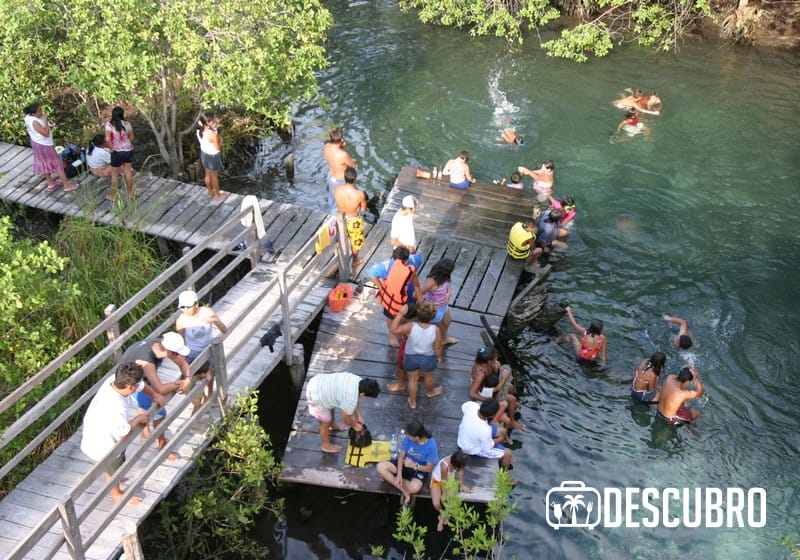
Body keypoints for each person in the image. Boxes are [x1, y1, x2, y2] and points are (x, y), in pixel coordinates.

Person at [80, 363, 151, 504]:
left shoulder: (113, 381)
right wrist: (138, 418)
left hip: (96, 431)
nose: (139, 387)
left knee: (116, 466)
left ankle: (115, 477)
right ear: (131, 387)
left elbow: (136, 390)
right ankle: (116, 493)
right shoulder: (116, 406)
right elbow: (123, 432)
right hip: (103, 444)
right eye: (137, 385)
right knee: (114, 466)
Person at [119, 332, 192, 458]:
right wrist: (178, 384)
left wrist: (188, 378)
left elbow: (183, 364)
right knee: (160, 413)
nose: (178, 356)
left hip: (139, 378)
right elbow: (161, 389)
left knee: (144, 405)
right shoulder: (147, 361)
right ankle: (162, 444)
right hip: (130, 383)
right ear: (170, 352)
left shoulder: (159, 344)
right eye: (177, 353)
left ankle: (145, 430)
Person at [175, 290, 229, 414]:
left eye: (187, 306)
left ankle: (210, 395)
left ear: (196, 304)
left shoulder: (207, 312)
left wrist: (215, 320)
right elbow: (181, 341)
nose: (185, 309)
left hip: (208, 350)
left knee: (210, 376)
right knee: (195, 380)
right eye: (182, 307)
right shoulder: (181, 321)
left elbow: (224, 330)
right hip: (191, 353)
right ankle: (201, 398)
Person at [305, 372, 380, 453]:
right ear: (363, 394)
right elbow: (345, 418)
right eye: (367, 397)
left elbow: (355, 399)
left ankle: (332, 424)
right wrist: (355, 426)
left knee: (330, 403)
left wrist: (358, 416)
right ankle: (326, 446)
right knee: (325, 422)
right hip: (316, 395)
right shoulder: (350, 398)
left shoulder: (357, 380)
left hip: (319, 382)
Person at [391, 301, 443, 409]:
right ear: (432, 317)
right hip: (428, 357)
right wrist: (438, 356)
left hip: (411, 356)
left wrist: (400, 314)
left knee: (412, 379)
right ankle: (430, 392)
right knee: (429, 376)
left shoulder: (411, 326)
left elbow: (394, 330)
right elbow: (437, 348)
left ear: (418, 314)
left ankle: (413, 402)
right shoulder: (436, 330)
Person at [367, 246, 422, 347]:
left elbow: (419, 259)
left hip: (408, 296)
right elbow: (371, 273)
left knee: (411, 315)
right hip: (392, 297)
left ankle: (407, 332)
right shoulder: (387, 265)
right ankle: (392, 336)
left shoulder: (414, 260)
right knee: (391, 316)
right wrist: (381, 287)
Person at [376, 420, 438, 506]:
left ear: (416, 437)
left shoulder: (431, 445)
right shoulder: (408, 439)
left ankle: (389, 478)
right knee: (380, 467)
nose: (407, 436)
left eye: (409, 435)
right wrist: (399, 475)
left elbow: (429, 468)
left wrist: (414, 465)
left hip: (419, 469)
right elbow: (401, 456)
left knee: (414, 488)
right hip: (405, 463)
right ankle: (404, 491)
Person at [23, 102, 79, 192]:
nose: (42, 112)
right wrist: (45, 120)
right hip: (44, 145)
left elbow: (42, 127)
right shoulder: (34, 122)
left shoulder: (28, 117)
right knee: (58, 163)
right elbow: (45, 134)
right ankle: (66, 185)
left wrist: (48, 123)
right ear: (33, 113)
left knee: (43, 162)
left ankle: (50, 183)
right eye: (39, 111)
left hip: (36, 143)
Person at [468, 347, 523, 432]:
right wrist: (487, 400)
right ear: (490, 361)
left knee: (511, 393)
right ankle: (506, 420)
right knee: (509, 400)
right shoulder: (480, 374)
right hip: (483, 394)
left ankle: (511, 419)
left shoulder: (485, 364)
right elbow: (472, 393)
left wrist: (496, 369)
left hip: (487, 388)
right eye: (495, 358)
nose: (497, 359)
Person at [457, 399, 513, 470]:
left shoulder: (472, 406)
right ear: (492, 416)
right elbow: (487, 448)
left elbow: (463, 407)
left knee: (502, 431)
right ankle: (504, 474)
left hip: (464, 436)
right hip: (469, 449)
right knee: (508, 453)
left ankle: (500, 452)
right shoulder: (485, 430)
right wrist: (500, 439)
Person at [334, 166, 368, 268]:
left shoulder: (337, 189)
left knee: (340, 239)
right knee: (356, 241)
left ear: (344, 178)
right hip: (353, 221)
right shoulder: (360, 194)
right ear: (356, 178)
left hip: (340, 218)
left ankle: (339, 260)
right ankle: (355, 260)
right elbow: (363, 209)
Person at [420, 257, 458, 346]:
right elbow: (416, 294)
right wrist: (425, 303)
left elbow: (447, 285)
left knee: (447, 321)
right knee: (434, 328)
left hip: (443, 306)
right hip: (433, 309)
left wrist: (449, 291)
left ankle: (444, 339)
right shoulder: (432, 281)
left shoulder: (445, 278)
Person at [430, 449, 470, 531]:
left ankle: (441, 521)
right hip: (437, 480)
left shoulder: (459, 463)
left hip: (449, 481)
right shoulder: (444, 466)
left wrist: (461, 485)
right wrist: (444, 494)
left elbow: (460, 472)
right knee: (436, 503)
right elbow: (443, 482)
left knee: (450, 501)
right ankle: (442, 514)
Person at [104, 106, 136, 201]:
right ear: (122, 114)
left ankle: (113, 195)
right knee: (128, 171)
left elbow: (107, 139)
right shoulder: (127, 124)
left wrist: (111, 148)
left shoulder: (109, 125)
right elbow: (132, 138)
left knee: (115, 174)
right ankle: (130, 193)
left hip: (117, 152)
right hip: (128, 150)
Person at [323, 127, 357, 214]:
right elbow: (352, 166)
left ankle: (331, 216)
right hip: (340, 181)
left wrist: (341, 147)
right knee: (342, 202)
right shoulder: (343, 154)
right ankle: (338, 220)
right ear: (341, 139)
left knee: (332, 201)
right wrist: (343, 148)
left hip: (330, 176)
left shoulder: (326, 147)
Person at [387, 302, 418, 392]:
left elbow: (393, 330)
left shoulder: (408, 327)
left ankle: (401, 384)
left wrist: (400, 314)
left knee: (401, 366)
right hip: (422, 351)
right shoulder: (423, 322)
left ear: (405, 317)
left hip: (408, 351)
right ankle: (421, 372)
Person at [197, 114, 226, 200]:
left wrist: (216, 125)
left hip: (204, 154)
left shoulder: (200, 129)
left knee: (207, 173)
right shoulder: (212, 135)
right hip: (213, 156)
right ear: (208, 123)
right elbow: (218, 148)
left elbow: (214, 125)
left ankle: (210, 191)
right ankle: (218, 195)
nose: (215, 121)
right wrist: (221, 141)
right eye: (213, 121)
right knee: (214, 176)